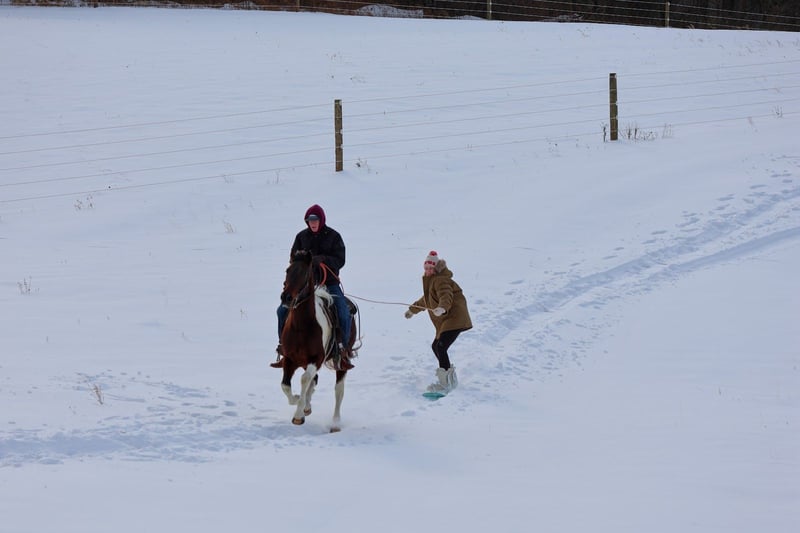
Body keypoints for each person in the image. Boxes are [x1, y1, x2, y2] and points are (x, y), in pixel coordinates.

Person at [272, 204, 355, 370]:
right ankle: (284, 348)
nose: (313, 223)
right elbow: (293, 258)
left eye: (315, 220)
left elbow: (340, 259)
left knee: (343, 311)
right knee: (282, 310)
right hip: (305, 286)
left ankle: (342, 351)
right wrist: (304, 261)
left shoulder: (334, 236)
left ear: (321, 220)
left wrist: (323, 259)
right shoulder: (301, 237)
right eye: (310, 220)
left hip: (329, 283)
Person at [404, 250, 472, 393]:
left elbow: (446, 295)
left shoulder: (440, 280)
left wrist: (442, 308)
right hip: (447, 320)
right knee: (436, 346)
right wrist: (412, 310)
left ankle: (445, 384)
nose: (428, 271)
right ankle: (450, 379)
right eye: (426, 268)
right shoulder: (431, 282)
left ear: (436, 268)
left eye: (431, 268)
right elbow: (425, 300)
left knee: (441, 347)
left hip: (454, 317)